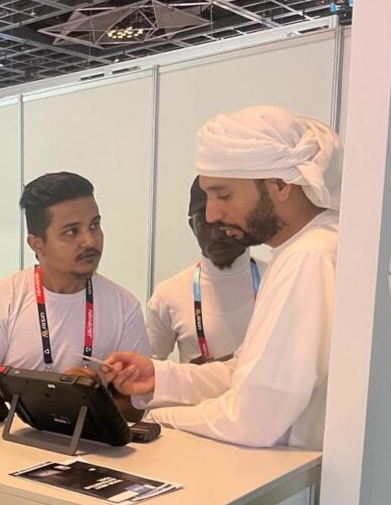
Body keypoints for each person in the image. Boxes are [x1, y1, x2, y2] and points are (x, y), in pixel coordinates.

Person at [102, 105, 342, 449]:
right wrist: (161, 377)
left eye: (224, 195)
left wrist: (157, 419)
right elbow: (243, 374)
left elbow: (253, 418)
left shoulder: (309, 256)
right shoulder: (302, 249)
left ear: (279, 185)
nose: (213, 214)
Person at [0, 172, 150, 417]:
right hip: (14, 437)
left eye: (94, 225)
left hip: (88, 439)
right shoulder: (5, 296)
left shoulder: (124, 306)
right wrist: (54, 392)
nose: (90, 241)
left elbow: (134, 408)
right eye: (72, 232)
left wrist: (93, 396)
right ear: (36, 243)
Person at [147, 177, 266, 364]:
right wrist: (187, 375)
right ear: (192, 227)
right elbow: (149, 367)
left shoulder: (277, 279)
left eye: (226, 222)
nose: (217, 234)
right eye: (204, 223)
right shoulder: (168, 294)